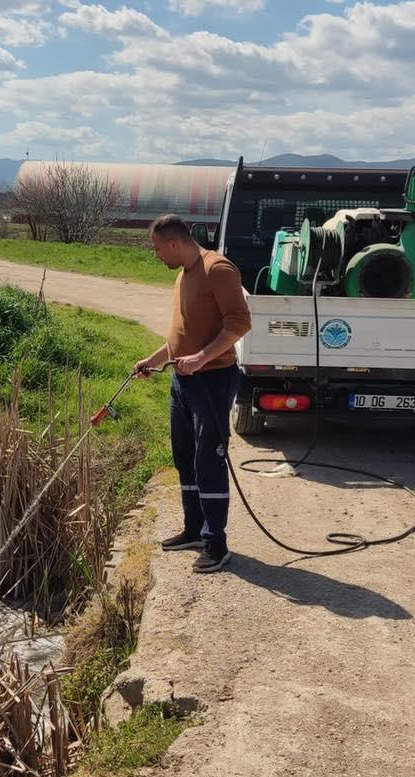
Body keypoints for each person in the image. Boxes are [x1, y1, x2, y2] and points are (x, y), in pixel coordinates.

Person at [134, 214, 251, 573]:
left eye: (156, 248)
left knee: (208, 460)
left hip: (212, 381)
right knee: (185, 457)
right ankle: (193, 529)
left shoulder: (218, 269)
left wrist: (202, 358)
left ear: (174, 243)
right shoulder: (183, 275)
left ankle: (216, 542)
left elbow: (240, 322)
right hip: (182, 383)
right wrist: (154, 360)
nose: (156, 255)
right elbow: (181, 336)